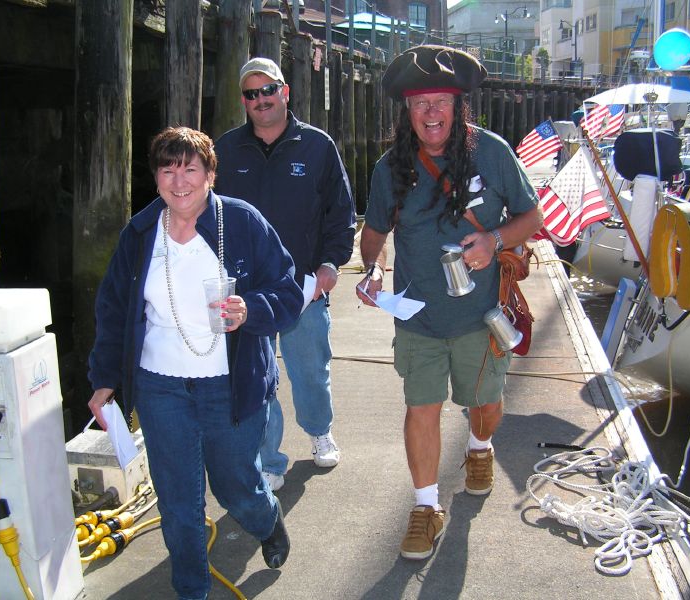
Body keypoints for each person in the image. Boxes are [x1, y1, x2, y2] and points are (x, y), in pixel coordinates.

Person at [87, 127, 303, 600]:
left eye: (190, 167)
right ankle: (191, 590)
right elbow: (114, 309)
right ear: (157, 176)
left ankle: (266, 521)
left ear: (210, 174)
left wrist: (251, 310)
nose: (179, 179)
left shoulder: (242, 222)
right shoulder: (140, 232)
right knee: (179, 501)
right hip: (159, 386)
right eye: (168, 168)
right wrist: (104, 379)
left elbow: (288, 293)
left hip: (230, 384)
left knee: (236, 487)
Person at [356, 46, 543, 561]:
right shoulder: (388, 169)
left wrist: (495, 241)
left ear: (460, 107)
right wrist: (371, 270)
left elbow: (533, 218)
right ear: (407, 112)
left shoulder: (494, 153)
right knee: (422, 408)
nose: (430, 114)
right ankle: (425, 507)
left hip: (481, 318)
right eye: (419, 104)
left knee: (483, 406)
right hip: (418, 318)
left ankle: (480, 447)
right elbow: (373, 233)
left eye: (440, 101)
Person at [214, 57, 356, 492]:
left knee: (310, 369)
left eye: (268, 90)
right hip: (247, 294)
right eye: (251, 94)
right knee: (257, 380)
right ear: (244, 100)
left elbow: (341, 212)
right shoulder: (225, 149)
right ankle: (269, 458)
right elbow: (206, 215)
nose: (261, 100)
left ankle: (318, 430)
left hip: (303, 289)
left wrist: (331, 265)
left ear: (285, 92)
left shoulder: (317, 146)